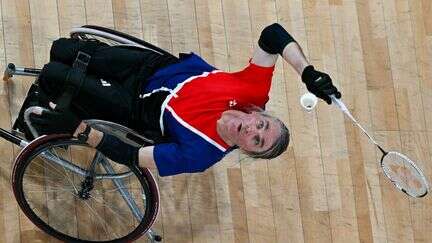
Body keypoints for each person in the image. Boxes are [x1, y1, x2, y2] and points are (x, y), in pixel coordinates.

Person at [27, 23, 341, 177]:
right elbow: (272, 35)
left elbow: (134, 156)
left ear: (247, 151)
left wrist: (77, 129)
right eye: (261, 125)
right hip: (149, 68)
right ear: (260, 112)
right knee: (62, 49)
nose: (251, 131)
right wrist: (308, 72)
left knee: (54, 75)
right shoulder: (252, 92)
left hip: (133, 107)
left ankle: (54, 102)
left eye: (257, 141)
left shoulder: (201, 154)